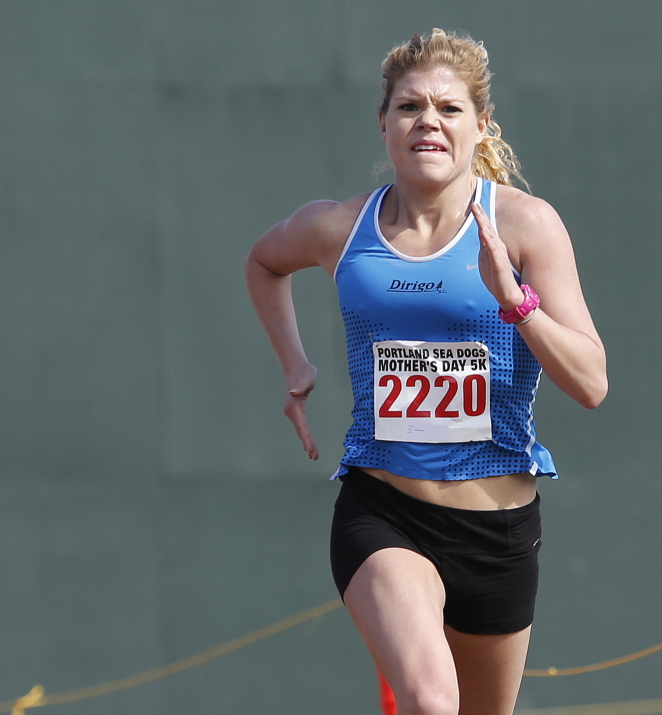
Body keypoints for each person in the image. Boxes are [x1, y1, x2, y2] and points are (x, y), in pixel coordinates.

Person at [244, 28, 606, 715]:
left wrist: (517, 303)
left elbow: (591, 382)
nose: (427, 122)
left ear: (480, 126)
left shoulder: (526, 226)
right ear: (383, 124)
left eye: (447, 108)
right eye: (409, 107)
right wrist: (294, 361)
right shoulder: (340, 227)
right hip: (384, 512)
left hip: (497, 529)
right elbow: (263, 262)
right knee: (431, 703)